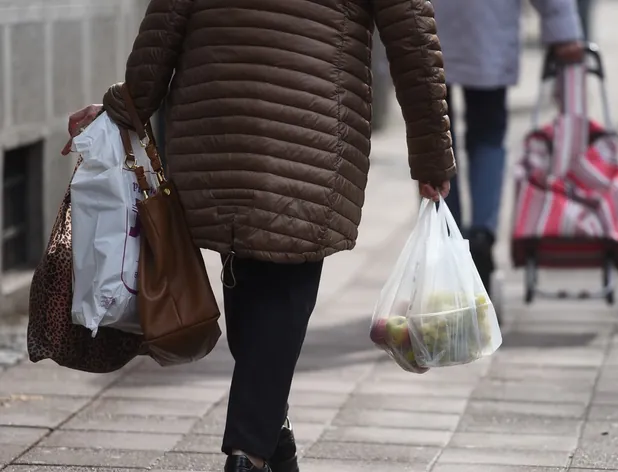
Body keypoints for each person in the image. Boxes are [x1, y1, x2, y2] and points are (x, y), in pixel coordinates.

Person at [69, 1, 454, 471]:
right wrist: (433, 154)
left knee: (248, 267)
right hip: (309, 126)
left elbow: (166, 18)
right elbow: (413, 35)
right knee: (284, 283)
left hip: (212, 120)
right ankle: (247, 453)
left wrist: (128, 103)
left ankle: (275, 437)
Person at [431, 0, 585, 296]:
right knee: (487, 136)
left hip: (426, 26)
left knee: (433, 141)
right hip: (487, 26)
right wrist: (563, 27)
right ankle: (481, 236)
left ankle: (448, 244)